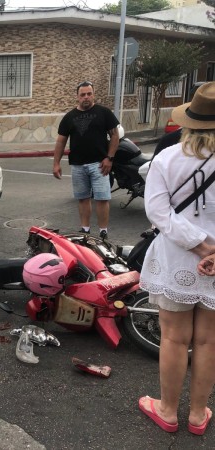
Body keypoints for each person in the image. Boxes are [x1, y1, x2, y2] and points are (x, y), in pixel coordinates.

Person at [138, 82, 215, 436]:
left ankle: (168, 410)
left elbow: (156, 211)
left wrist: (199, 246)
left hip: (176, 259)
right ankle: (198, 415)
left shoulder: (166, 159)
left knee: (173, 338)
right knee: (208, 340)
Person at [53, 81, 120, 239]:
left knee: (102, 198)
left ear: (93, 94)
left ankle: (103, 231)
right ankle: (85, 229)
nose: (86, 97)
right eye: (83, 94)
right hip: (78, 165)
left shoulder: (104, 112)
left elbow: (115, 135)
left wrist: (109, 158)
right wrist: (56, 163)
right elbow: (61, 141)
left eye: (89, 94)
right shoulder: (69, 117)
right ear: (77, 97)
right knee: (82, 198)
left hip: (99, 164)